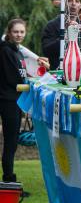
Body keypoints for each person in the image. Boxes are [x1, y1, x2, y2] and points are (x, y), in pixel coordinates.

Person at [0, 19, 47, 192]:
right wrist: (31, 82)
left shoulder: (17, 52)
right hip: (8, 100)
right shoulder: (6, 51)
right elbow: (14, 79)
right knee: (11, 141)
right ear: (9, 32)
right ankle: (9, 181)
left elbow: (22, 75)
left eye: (22, 32)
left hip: (15, 100)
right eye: (15, 32)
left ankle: (10, 180)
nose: (19, 35)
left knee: (12, 141)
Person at [42, 0, 81, 70]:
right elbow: (46, 50)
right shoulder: (52, 25)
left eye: (77, 1)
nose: (73, 4)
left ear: (80, 5)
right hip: (59, 72)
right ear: (64, 4)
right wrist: (66, 36)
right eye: (70, 0)